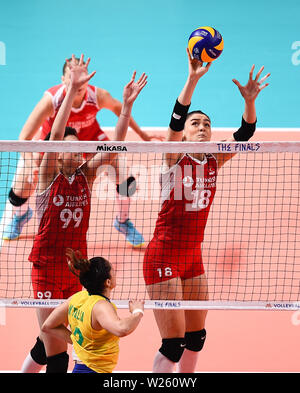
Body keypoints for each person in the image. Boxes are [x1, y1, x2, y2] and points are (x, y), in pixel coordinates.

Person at [143, 49, 270, 373]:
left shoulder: (214, 160)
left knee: (196, 337)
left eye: (207, 124)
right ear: (184, 132)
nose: (202, 127)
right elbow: (174, 119)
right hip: (163, 257)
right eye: (195, 123)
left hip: (192, 257)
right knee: (173, 345)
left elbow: (245, 134)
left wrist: (250, 101)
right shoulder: (173, 158)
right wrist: (192, 78)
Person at [21, 54, 147, 373]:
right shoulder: (49, 174)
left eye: (78, 147)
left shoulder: (86, 176)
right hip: (47, 267)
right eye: (66, 147)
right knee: (59, 355)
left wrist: (127, 106)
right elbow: (56, 133)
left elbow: (114, 146)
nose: (74, 151)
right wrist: (72, 89)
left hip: (77, 270)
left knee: (48, 342)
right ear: (56, 151)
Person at [2, 56, 160, 246]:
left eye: (82, 76)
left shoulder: (97, 96)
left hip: (90, 142)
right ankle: (21, 215)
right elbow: (24, 137)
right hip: (53, 147)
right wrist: (32, 165)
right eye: (72, 76)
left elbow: (119, 108)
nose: (78, 81)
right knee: (20, 190)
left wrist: (143, 135)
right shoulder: (51, 101)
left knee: (127, 181)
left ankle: (123, 221)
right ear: (63, 80)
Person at [41, 248, 144, 373]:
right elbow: (122, 329)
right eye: (113, 272)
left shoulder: (77, 297)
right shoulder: (101, 306)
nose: (115, 273)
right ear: (108, 282)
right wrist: (137, 312)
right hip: (93, 370)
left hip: (81, 368)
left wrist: (77, 340)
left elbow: (48, 325)